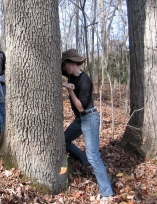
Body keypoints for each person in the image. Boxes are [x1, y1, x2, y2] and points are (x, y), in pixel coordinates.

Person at [61, 49, 114, 199]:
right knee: (64, 140)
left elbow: (80, 107)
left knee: (94, 156)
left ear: (71, 63)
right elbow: (54, 67)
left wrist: (70, 90)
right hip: (79, 120)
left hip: (89, 118)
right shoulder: (70, 73)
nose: (64, 69)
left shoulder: (85, 81)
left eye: (65, 66)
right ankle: (85, 162)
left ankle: (107, 193)